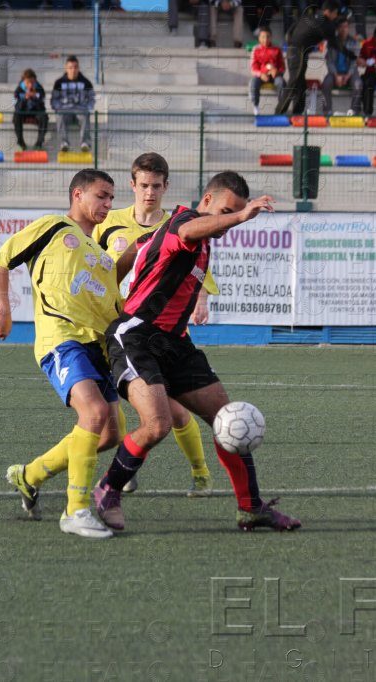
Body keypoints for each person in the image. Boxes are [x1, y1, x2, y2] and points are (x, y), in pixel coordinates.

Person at [94, 171, 302, 533]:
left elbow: (145, 255)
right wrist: (242, 216)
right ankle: (108, 489)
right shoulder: (184, 221)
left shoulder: (204, 243)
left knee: (229, 420)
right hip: (136, 337)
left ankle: (251, 508)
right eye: (225, 211)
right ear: (207, 201)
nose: (228, 221)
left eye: (234, 213)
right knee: (157, 425)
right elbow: (187, 232)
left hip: (175, 343)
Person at [0, 169, 122, 539]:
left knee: (111, 434)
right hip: (61, 338)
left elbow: (114, 307)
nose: (107, 204)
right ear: (77, 194)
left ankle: (29, 475)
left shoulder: (101, 255)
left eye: (111, 198)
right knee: (93, 413)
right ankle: (75, 510)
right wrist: (3, 308)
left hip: (99, 347)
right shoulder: (53, 227)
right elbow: (0, 260)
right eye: (101, 195)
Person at [92, 153, 218, 497]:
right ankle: (124, 469)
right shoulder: (109, 223)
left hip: (163, 332)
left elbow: (198, 269)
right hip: (118, 328)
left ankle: (200, 472)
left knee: (173, 413)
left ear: (166, 187)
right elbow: (95, 265)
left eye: (156, 186)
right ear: (132, 185)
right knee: (111, 410)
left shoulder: (178, 225)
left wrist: (202, 300)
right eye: (144, 185)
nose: (150, 192)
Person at [276, 0, 352, 115]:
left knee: (301, 83)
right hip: (299, 52)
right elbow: (336, 44)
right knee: (294, 82)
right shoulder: (327, 24)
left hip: (293, 49)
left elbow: (290, 31)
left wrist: (293, 43)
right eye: (335, 13)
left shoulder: (309, 15)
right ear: (329, 12)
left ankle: (297, 113)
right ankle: (278, 113)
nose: (336, 16)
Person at [51, 55, 95, 153]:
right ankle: (64, 143)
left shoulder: (86, 82)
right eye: (70, 67)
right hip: (65, 111)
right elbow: (54, 99)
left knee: (85, 115)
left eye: (75, 67)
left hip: (80, 111)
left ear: (78, 68)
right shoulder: (59, 83)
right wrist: (58, 108)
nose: (73, 70)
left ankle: (85, 143)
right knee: (59, 115)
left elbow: (91, 98)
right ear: (66, 68)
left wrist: (88, 108)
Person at [321, 16, 362, 116]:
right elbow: (329, 62)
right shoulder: (331, 43)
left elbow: (354, 62)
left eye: (346, 27)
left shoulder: (354, 43)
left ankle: (354, 111)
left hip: (350, 73)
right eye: (341, 27)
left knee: (358, 84)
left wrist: (347, 75)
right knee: (326, 84)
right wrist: (336, 75)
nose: (344, 29)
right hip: (335, 72)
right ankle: (327, 111)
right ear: (337, 29)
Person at [248, 27, 285, 116]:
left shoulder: (277, 49)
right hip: (261, 76)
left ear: (271, 37)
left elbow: (282, 67)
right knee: (253, 82)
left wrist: (277, 71)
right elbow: (253, 68)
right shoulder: (256, 49)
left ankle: (282, 107)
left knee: (281, 83)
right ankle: (256, 106)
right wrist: (260, 74)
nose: (265, 39)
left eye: (268, 37)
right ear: (259, 38)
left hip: (275, 76)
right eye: (263, 37)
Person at [13, 68, 48, 151]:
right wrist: (25, 98)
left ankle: (39, 143)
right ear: (24, 81)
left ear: (35, 80)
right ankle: (20, 142)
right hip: (23, 112)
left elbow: (42, 107)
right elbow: (16, 106)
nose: (30, 85)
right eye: (28, 82)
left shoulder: (40, 89)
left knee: (44, 117)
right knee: (16, 116)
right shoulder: (18, 90)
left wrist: (35, 97)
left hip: (36, 112)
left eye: (32, 82)